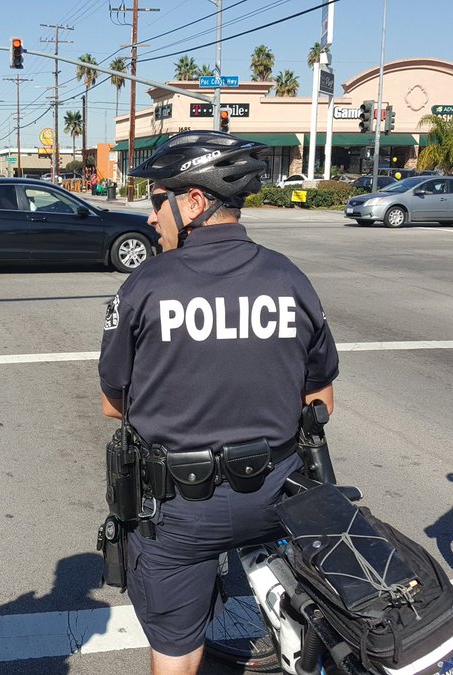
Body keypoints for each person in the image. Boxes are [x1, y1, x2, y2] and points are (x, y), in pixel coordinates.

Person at [98, 131, 339, 675]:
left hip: (182, 510)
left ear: (195, 202)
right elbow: (321, 395)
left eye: (158, 200)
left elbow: (115, 405)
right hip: (280, 498)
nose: (151, 216)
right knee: (312, 628)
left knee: (176, 654)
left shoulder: (146, 285)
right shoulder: (289, 276)